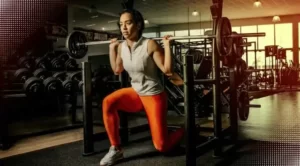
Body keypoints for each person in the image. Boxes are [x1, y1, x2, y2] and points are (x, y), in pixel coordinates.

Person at [99, 9, 185, 166]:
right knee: (108, 102)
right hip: (136, 93)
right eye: (121, 24)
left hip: (153, 95)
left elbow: (167, 71)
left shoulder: (150, 44)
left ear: (138, 25)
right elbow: (117, 70)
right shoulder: (122, 47)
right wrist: (111, 50)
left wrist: (167, 46)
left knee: (161, 146)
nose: (124, 28)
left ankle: (184, 130)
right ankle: (116, 149)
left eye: (128, 23)